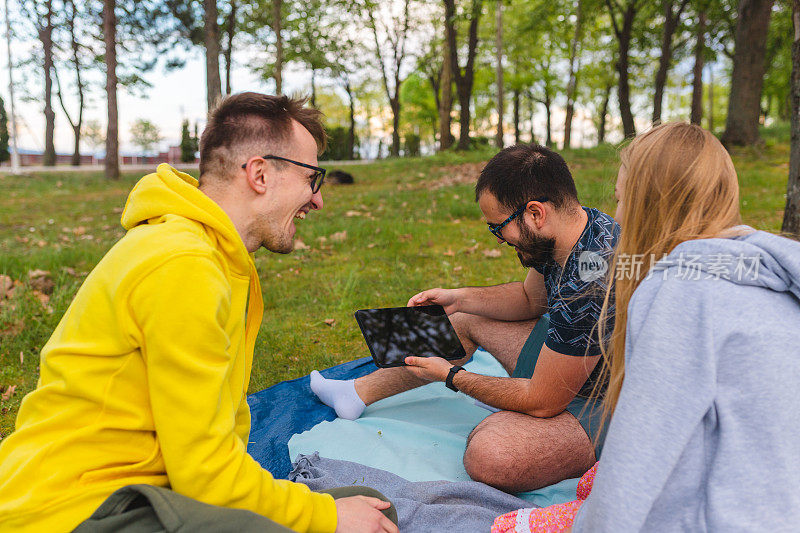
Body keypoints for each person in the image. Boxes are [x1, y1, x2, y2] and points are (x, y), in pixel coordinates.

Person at [0, 93, 398, 533]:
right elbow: (204, 474)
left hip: (149, 484)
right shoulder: (184, 266)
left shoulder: (210, 256)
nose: (317, 200)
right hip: (78, 507)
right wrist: (320, 514)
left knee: (374, 511)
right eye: (312, 179)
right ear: (260, 174)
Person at [312, 144, 620, 492]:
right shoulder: (570, 227)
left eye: (498, 228)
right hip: (574, 367)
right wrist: (459, 299)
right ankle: (355, 393)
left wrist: (453, 377)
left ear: (535, 214)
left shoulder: (590, 279)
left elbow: (543, 400)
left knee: (489, 455)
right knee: (458, 321)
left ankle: (531, 426)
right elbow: (529, 299)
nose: (500, 239)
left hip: (606, 404)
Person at [570, 122, 800, 531]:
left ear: (649, 206)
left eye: (622, 200)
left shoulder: (680, 293)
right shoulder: (769, 274)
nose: (616, 216)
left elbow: (635, 466)